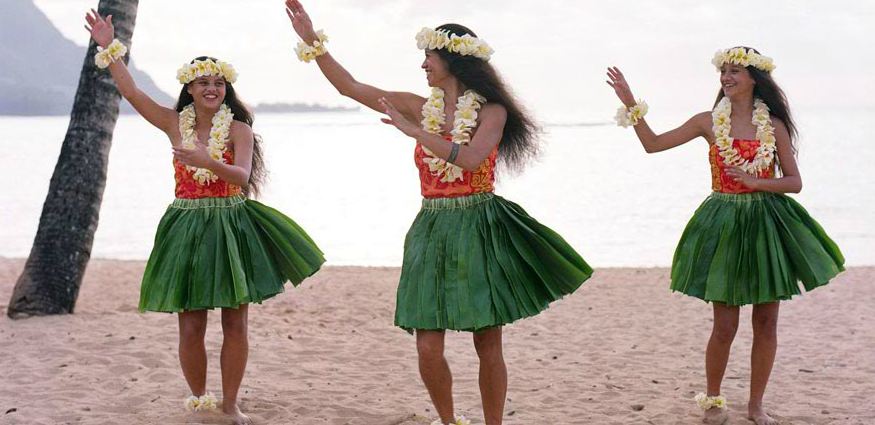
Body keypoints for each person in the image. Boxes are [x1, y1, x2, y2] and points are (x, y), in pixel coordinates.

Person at [284, 2, 592, 424]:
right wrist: (312, 43)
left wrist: (416, 132)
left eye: (428, 56)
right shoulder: (416, 105)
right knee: (427, 344)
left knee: (488, 340)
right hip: (431, 226)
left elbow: (471, 159)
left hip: (481, 224)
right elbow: (350, 87)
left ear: (451, 59)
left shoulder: (491, 112)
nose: (423, 64)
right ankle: (449, 422)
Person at [86, 9, 325, 424]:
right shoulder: (172, 123)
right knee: (191, 325)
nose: (211, 88)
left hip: (231, 225)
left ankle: (231, 404)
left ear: (226, 89)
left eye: (218, 82)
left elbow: (241, 176)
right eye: (203, 82)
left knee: (235, 322)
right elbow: (133, 93)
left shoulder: (239, 130)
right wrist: (109, 47)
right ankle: (198, 398)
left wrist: (205, 160)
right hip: (187, 226)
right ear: (190, 89)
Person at [606, 47, 844, 425]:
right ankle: (714, 399)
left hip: (767, 224)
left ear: (754, 79)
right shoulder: (707, 122)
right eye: (724, 71)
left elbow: (795, 182)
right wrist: (631, 103)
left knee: (766, 322)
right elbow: (653, 144)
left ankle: (755, 406)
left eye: (735, 71)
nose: (726, 77)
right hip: (724, 225)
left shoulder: (775, 126)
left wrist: (756, 182)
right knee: (725, 324)